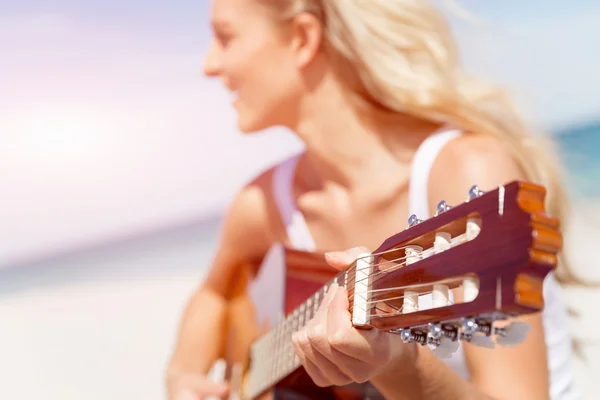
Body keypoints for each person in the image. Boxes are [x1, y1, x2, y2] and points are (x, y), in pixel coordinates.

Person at [166, 0, 580, 399]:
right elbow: (214, 293)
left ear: (302, 38)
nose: (210, 65)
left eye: (226, 37)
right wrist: (183, 374)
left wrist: (397, 366)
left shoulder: (467, 173)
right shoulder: (263, 203)